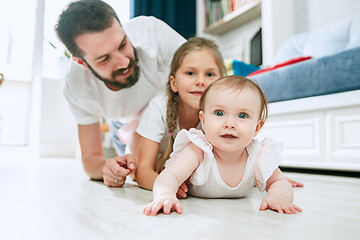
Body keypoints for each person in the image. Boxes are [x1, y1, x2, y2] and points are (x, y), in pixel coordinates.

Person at [55, 0, 186, 187]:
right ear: (82, 62)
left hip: (177, 108)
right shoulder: (77, 87)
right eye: (104, 58)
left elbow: (206, 72)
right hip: (126, 126)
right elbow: (91, 161)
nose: (124, 62)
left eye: (123, 44)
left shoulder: (151, 33)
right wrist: (106, 168)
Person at [143, 75, 303, 216]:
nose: (230, 124)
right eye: (219, 113)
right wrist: (165, 195)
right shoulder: (199, 150)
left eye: (242, 115)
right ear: (203, 121)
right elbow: (169, 176)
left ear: (257, 127)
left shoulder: (258, 153)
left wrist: (278, 197)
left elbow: (279, 182)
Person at [134, 37, 225, 197]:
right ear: (173, 83)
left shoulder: (223, 115)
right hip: (136, 143)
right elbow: (142, 172)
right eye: (190, 73)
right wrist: (167, 184)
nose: (200, 81)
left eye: (210, 74)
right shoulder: (158, 107)